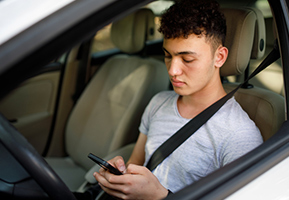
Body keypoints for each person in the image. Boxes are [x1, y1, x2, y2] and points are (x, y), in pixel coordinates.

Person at [93, 0, 263, 199]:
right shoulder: (158, 103)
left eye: (187, 59)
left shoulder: (239, 136)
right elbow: (136, 164)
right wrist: (120, 176)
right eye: (167, 56)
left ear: (219, 57)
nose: (173, 71)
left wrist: (160, 196)